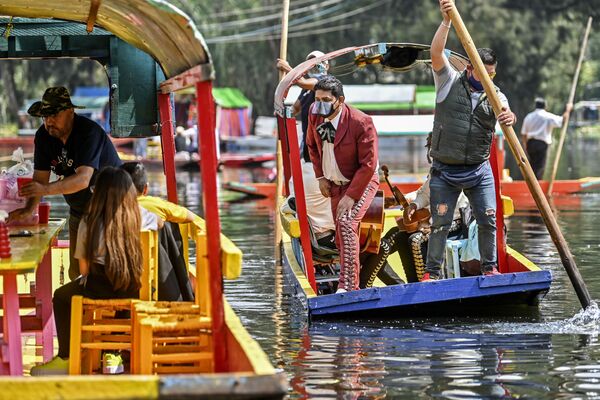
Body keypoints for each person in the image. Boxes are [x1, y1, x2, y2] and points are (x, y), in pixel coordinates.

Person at [30, 167, 158, 375]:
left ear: (98, 193)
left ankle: (66, 357)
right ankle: (112, 354)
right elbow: (161, 223)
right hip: (135, 290)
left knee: (62, 296)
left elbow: (84, 269)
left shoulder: (88, 221)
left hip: (98, 288)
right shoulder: (141, 217)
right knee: (125, 288)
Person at [423, 0, 517, 281]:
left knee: (488, 218)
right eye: (481, 73)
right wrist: (447, 21)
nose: (486, 79)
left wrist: (510, 117)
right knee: (439, 223)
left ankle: (490, 268)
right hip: (445, 168)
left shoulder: (497, 95)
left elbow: (507, 116)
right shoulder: (448, 81)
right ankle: (431, 274)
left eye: (491, 75)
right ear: (469, 68)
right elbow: (436, 52)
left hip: (478, 170)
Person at [8, 87, 122, 281]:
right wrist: (28, 209)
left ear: (70, 112)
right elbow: (40, 179)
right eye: (45, 117)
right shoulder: (44, 137)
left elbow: (83, 179)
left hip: (110, 209)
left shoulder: (89, 132)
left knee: (106, 273)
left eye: (54, 115)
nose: (49, 122)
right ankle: (80, 309)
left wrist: (45, 190)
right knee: (76, 275)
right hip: (78, 210)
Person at [306, 76, 379, 293]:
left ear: (340, 100)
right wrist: (320, 177)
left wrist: (352, 196)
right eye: (317, 98)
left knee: (346, 223)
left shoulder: (361, 121)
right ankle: (349, 283)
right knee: (340, 236)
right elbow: (311, 145)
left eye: (326, 99)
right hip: (334, 182)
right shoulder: (314, 114)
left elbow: (368, 164)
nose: (320, 103)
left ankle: (348, 286)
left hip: (361, 181)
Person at [121, 162, 199, 301]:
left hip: (118, 274)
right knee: (169, 227)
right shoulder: (153, 205)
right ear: (145, 189)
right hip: (149, 275)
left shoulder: (108, 209)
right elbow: (190, 217)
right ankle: (180, 290)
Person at [277, 50, 329, 162]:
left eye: (316, 62)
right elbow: (296, 108)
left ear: (326, 66)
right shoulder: (306, 90)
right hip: (307, 139)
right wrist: (284, 113)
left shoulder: (324, 82)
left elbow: (302, 82)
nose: (313, 65)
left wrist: (288, 69)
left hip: (321, 141)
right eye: (311, 63)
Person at [521, 97, 573, 179]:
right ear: (545, 106)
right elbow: (563, 120)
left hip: (530, 144)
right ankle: (536, 187)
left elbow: (523, 134)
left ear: (536, 106)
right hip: (542, 144)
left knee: (531, 166)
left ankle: (531, 184)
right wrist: (568, 110)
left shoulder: (528, 117)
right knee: (540, 167)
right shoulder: (547, 116)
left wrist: (525, 146)